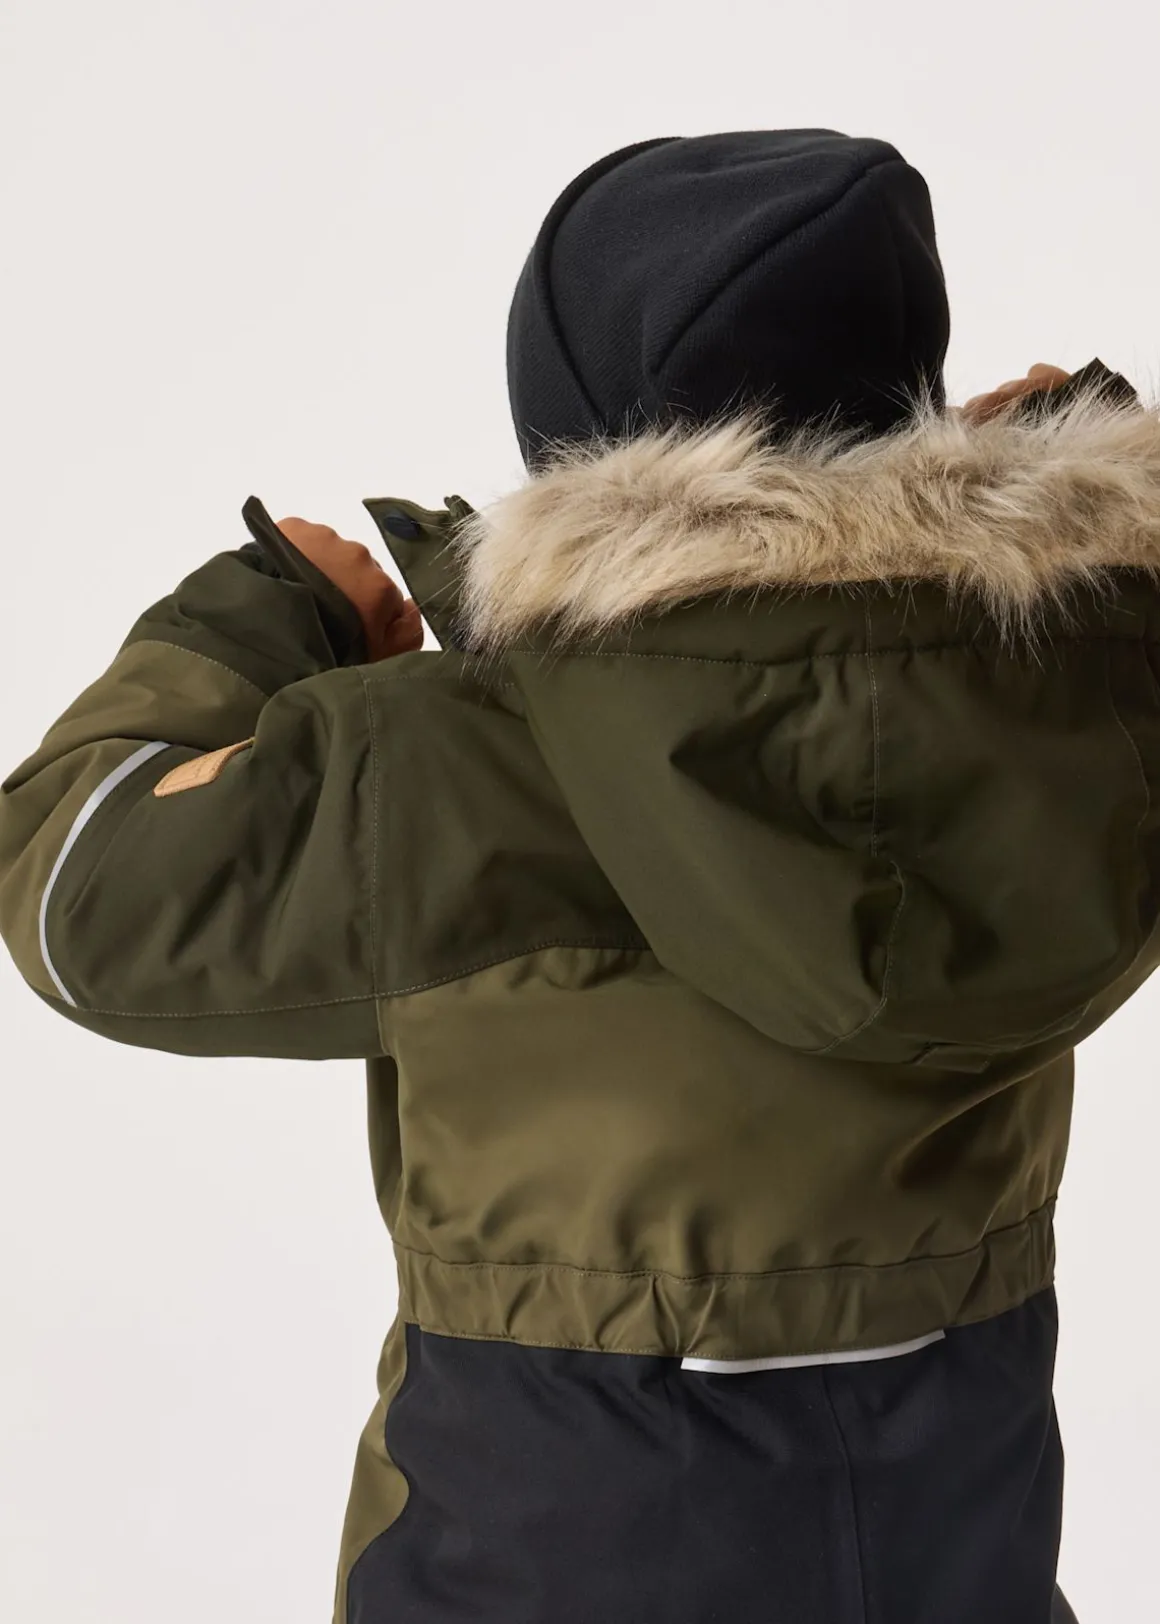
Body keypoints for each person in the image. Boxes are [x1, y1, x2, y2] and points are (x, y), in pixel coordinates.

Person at [0, 129, 1154, 1624]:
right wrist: (1054, 497)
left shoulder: (454, 762)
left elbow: (74, 893)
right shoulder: (1067, 712)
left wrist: (256, 618)